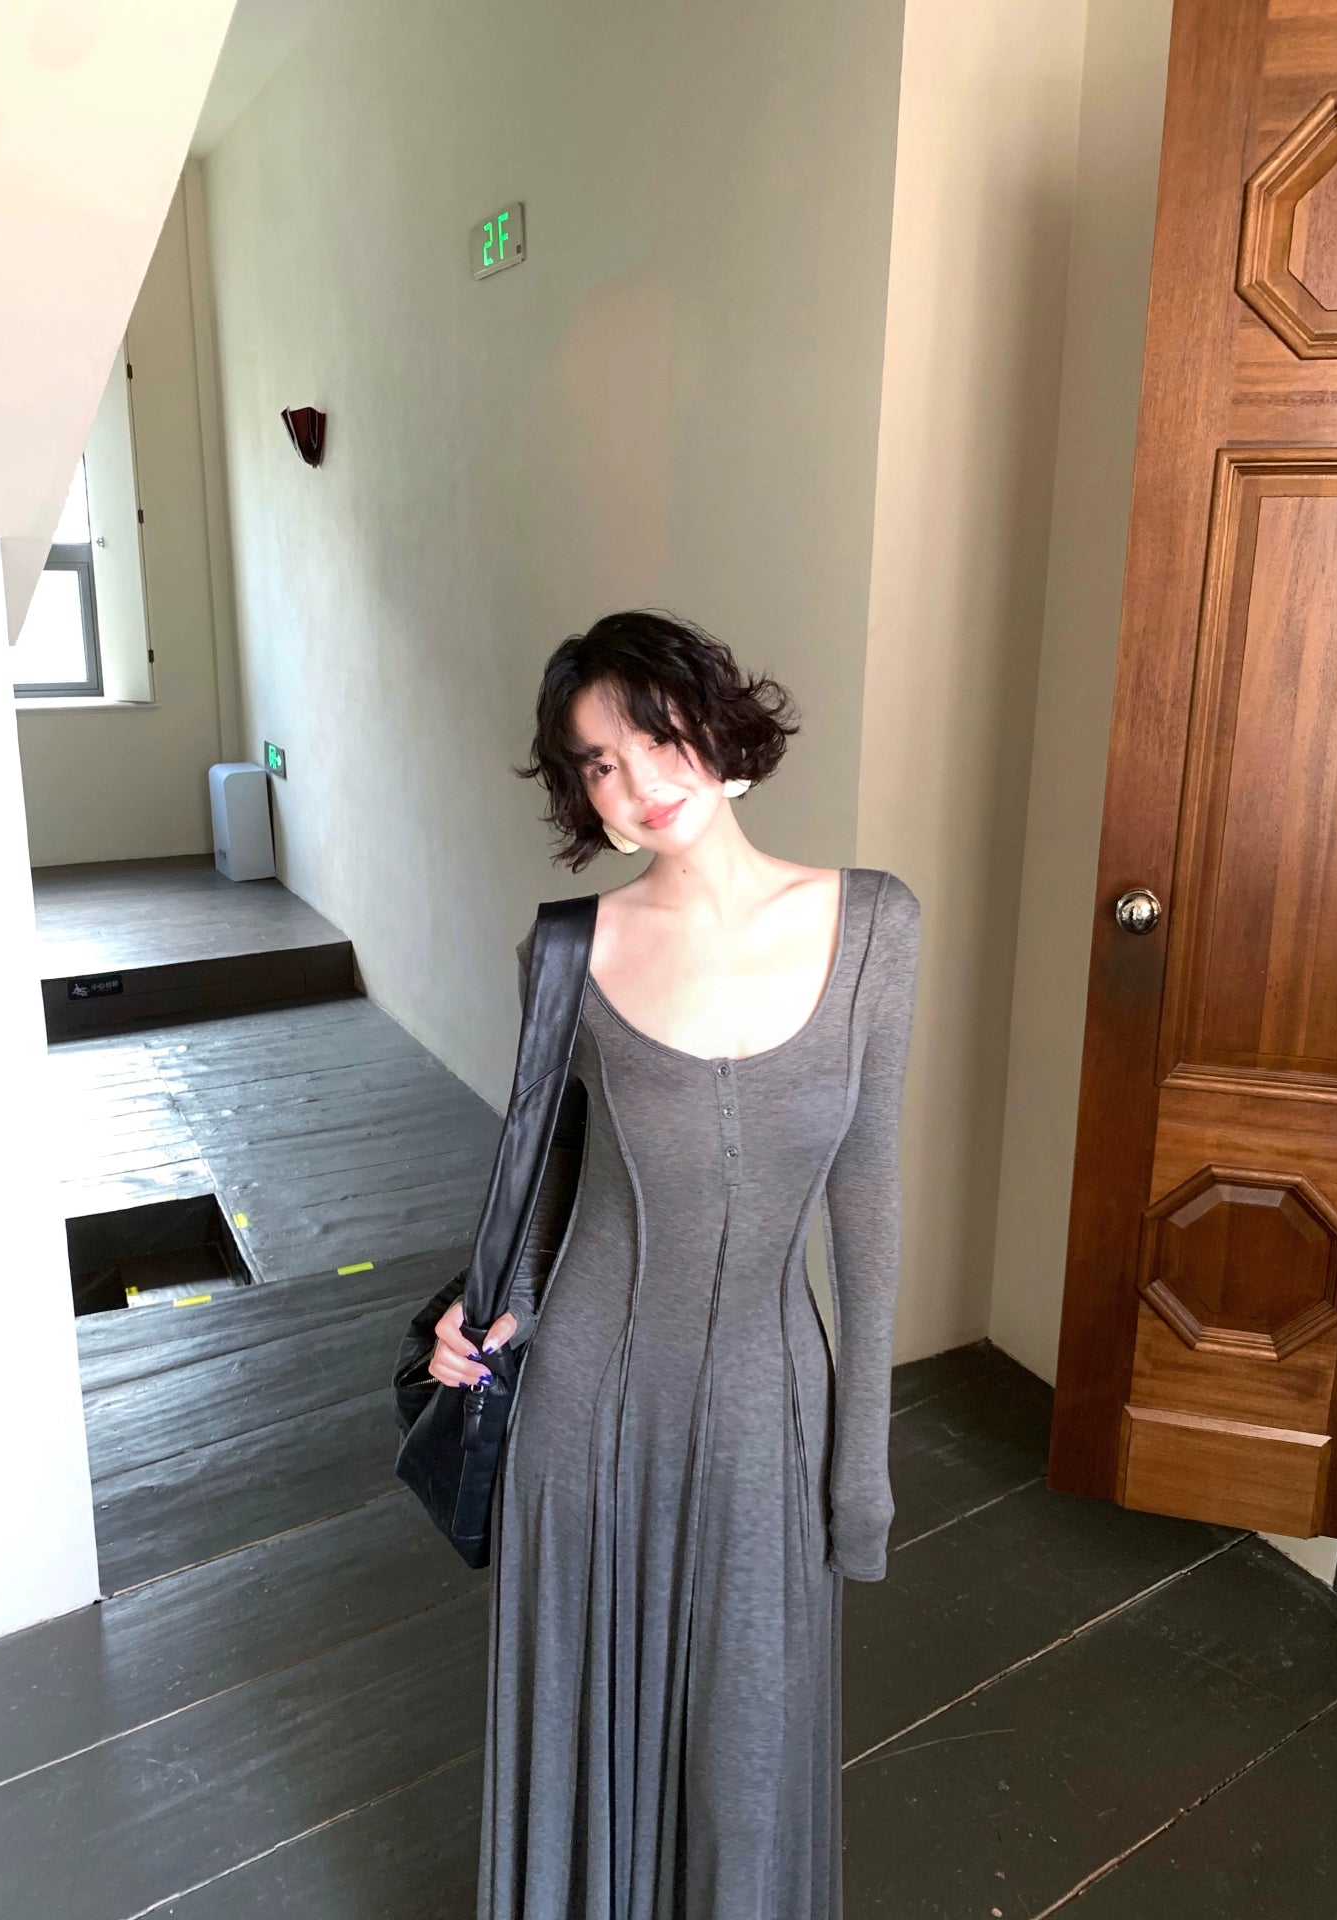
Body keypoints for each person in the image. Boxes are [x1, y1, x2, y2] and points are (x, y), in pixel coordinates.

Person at [427, 609, 921, 1919]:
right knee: (583, 1742)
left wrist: (861, 1469)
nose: (638, 781)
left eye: (654, 734)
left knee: (747, 1761)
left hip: (770, 1408)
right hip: (584, 1410)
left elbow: (867, 1204)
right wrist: (490, 1314)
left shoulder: (873, 925)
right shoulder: (566, 951)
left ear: (714, 719)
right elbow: (554, 1180)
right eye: (599, 763)